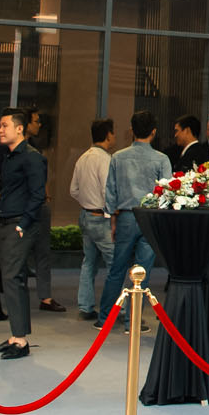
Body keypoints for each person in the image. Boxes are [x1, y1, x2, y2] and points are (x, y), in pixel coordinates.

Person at [0, 108, 46, 359]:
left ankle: (20, 340)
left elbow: (38, 194)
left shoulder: (32, 157)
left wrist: (23, 224)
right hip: (5, 222)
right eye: (0, 126)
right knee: (14, 280)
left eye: (5, 126)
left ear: (19, 129)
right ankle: (17, 336)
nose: (0, 130)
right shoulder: (9, 156)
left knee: (12, 279)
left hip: (19, 225)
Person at [100, 112, 170, 324]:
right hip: (150, 218)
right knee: (143, 272)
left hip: (126, 216)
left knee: (117, 269)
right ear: (154, 132)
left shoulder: (118, 157)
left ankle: (105, 318)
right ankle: (133, 321)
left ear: (132, 130)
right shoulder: (161, 159)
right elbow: (167, 193)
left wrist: (113, 217)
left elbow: (110, 191)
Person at [69, 117, 116, 322]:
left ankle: (85, 306)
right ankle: (119, 309)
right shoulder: (105, 159)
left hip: (85, 214)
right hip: (101, 217)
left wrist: (86, 201)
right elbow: (108, 191)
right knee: (115, 265)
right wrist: (111, 214)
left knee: (89, 262)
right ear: (108, 135)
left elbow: (73, 190)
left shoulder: (83, 157)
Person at [22, 107, 62, 313]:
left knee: (42, 252)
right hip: (24, 206)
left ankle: (45, 297)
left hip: (37, 204)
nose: (39, 125)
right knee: (23, 253)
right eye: (36, 121)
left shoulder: (34, 148)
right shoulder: (16, 150)